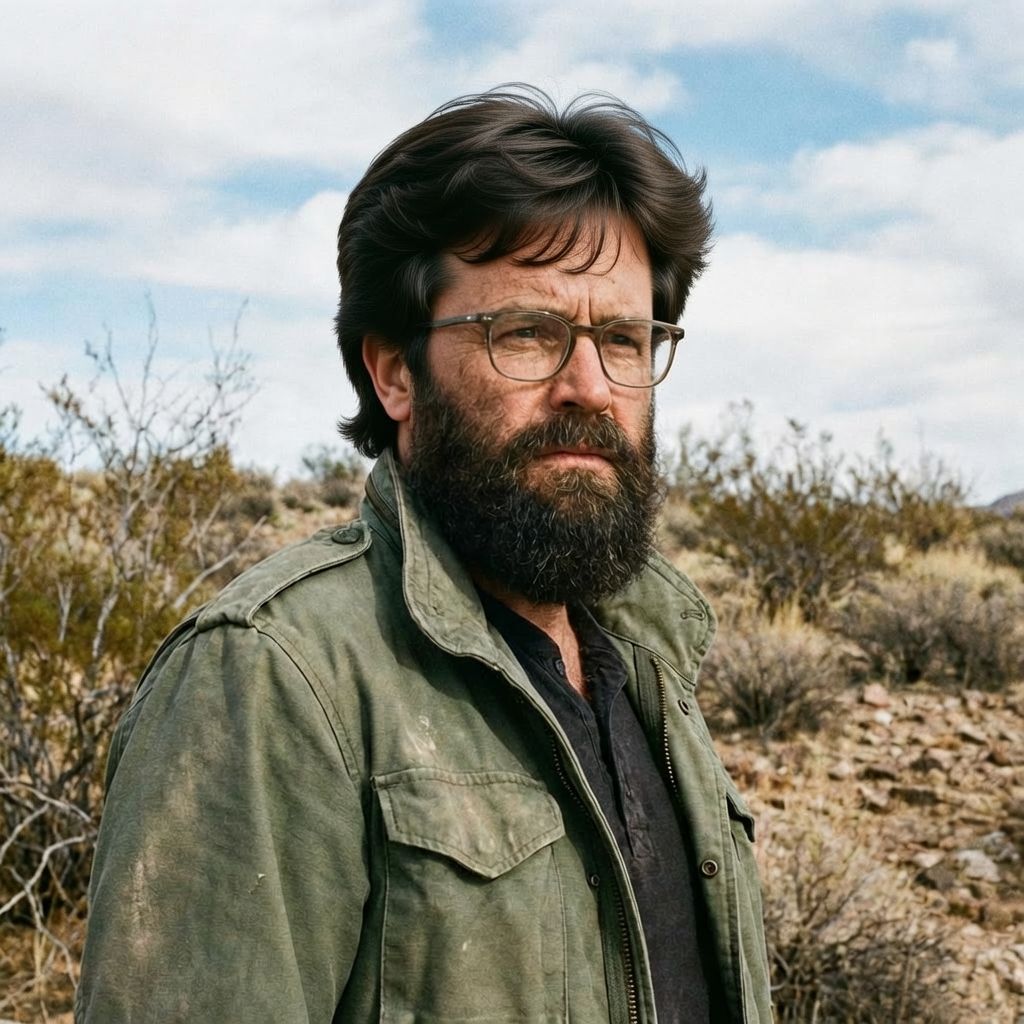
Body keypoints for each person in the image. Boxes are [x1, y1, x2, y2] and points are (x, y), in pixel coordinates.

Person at [77, 86, 772, 1023]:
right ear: (395, 371)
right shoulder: (275, 676)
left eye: (623, 339)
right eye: (527, 332)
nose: (591, 386)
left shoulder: (651, 663)